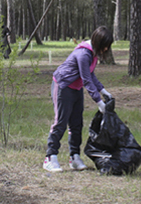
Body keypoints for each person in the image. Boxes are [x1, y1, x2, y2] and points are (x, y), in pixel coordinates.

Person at [43, 26, 114, 172]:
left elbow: (91, 74)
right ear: (98, 42)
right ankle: (50, 157)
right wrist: (99, 102)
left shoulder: (92, 54)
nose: (106, 49)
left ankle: (74, 157)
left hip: (76, 88)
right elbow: (86, 79)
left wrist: (103, 90)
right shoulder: (83, 54)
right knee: (61, 122)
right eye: (105, 45)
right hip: (63, 86)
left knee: (76, 124)